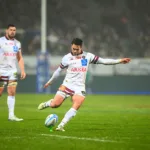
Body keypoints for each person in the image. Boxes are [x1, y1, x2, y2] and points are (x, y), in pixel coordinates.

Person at [38, 38, 130, 131]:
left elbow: (104, 61)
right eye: (73, 48)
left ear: (81, 47)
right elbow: (58, 71)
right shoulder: (66, 57)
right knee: (55, 104)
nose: (74, 51)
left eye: (77, 49)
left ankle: (61, 125)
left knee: (77, 104)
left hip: (79, 87)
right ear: (71, 46)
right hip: (67, 85)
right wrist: (50, 81)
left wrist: (119, 61)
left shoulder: (88, 56)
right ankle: (48, 103)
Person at [0, 24, 26, 121]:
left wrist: (22, 70)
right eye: (11, 30)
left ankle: (11, 115)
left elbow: (19, 57)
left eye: (14, 30)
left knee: (12, 91)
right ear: (7, 30)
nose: (12, 31)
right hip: (1, 71)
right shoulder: (1, 41)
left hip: (12, 71)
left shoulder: (17, 43)